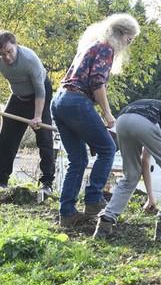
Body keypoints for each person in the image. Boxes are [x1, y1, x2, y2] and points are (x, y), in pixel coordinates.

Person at [51, 13, 140, 227]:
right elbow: (97, 83)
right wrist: (108, 114)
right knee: (108, 148)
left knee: (78, 159)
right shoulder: (105, 48)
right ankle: (93, 199)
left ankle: (67, 213)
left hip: (59, 101)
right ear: (121, 34)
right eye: (129, 39)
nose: (128, 45)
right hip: (75, 101)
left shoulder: (90, 46)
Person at [94, 100, 161, 240]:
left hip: (123, 120)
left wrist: (151, 197)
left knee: (131, 175)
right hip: (144, 121)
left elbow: (145, 160)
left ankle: (106, 222)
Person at [0, 31, 55, 193]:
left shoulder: (29, 59)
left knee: (44, 139)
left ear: (16, 46)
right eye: (2, 54)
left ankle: (46, 184)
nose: (6, 57)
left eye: (9, 52)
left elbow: (40, 91)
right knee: (6, 138)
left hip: (40, 95)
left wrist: (37, 116)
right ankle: (1, 181)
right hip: (18, 96)